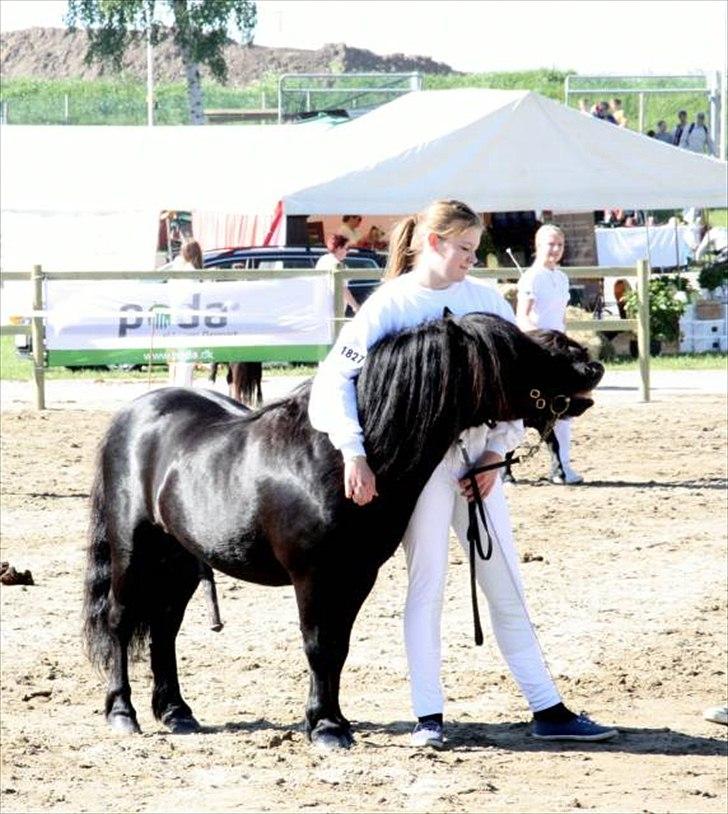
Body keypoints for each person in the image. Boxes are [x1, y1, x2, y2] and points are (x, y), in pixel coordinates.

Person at [308, 199, 618, 748]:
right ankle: (428, 715)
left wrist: (497, 454)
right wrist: (353, 452)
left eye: (475, 250)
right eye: (465, 250)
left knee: (505, 584)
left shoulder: (482, 300)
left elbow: (520, 383)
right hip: (419, 470)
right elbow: (334, 380)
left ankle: (547, 708)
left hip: (478, 463)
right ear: (434, 243)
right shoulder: (391, 304)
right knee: (427, 582)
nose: (472, 260)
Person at [516, 225, 584, 485]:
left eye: (559, 245)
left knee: (564, 411)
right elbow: (522, 317)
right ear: (538, 246)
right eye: (550, 244)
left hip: (559, 352)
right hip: (538, 349)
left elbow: (561, 317)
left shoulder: (562, 278)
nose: (555, 250)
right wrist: (545, 342)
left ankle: (562, 465)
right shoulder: (532, 277)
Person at [168, 238, 203, 387]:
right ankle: (184, 388)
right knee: (186, 359)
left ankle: (179, 386)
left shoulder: (178, 268)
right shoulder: (191, 271)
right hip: (188, 319)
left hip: (177, 318)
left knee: (180, 358)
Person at [315, 233, 360, 314]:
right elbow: (341, 288)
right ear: (339, 248)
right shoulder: (335, 264)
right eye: (346, 248)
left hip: (323, 309)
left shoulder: (323, 259)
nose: (347, 252)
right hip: (332, 310)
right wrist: (355, 306)